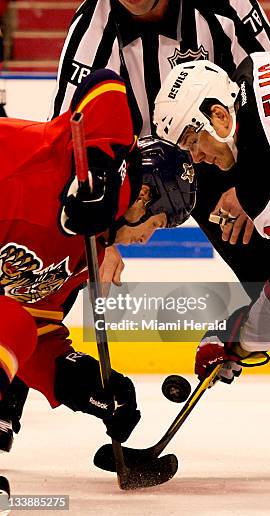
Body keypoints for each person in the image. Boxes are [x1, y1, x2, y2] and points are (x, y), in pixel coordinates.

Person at [7, 0, 270, 493]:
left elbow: (263, 74)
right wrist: (100, 241)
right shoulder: (91, 32)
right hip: (134, 163)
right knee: (41, 267)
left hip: (222, 146)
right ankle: (3, 416)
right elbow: (71, 143)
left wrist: (243, 181)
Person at [154, 15, 270, 500]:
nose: (196, 160)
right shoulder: (265, 66)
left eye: (193, 142)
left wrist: (240, 337)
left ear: (218, 116)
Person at [0, 65, 196, 498]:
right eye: (157, 224)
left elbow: (35, 326)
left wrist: (81, 383)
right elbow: (104, 84)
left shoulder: (86, 258)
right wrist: (106, 174)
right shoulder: (81, 171)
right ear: (143, 196)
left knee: (13, 325)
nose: (147, 238)